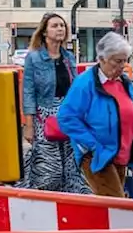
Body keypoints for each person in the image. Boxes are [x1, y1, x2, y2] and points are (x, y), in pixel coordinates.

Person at [56, 32, 133, 197]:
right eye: (118, 61)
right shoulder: (85, 83)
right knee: (117, 204)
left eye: (125, 60)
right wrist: (93, 145)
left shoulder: (123, 82)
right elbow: (66, 117)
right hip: (98, 157)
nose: (123, 65)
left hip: (120, 154)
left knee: (113, 207)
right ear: (102, 58)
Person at [20, 12, 89, 193]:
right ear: (44, 32)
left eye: (62, 26)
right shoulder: (34, 58)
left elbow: (75, 88)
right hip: (44, 116)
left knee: (71, 165)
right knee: (49, 168)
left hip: (68, 116)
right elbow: (28, 92)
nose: (60, 29)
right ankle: (41, 199)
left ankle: (69, 203)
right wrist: (28, 124)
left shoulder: (68, 57)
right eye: (55, 26)